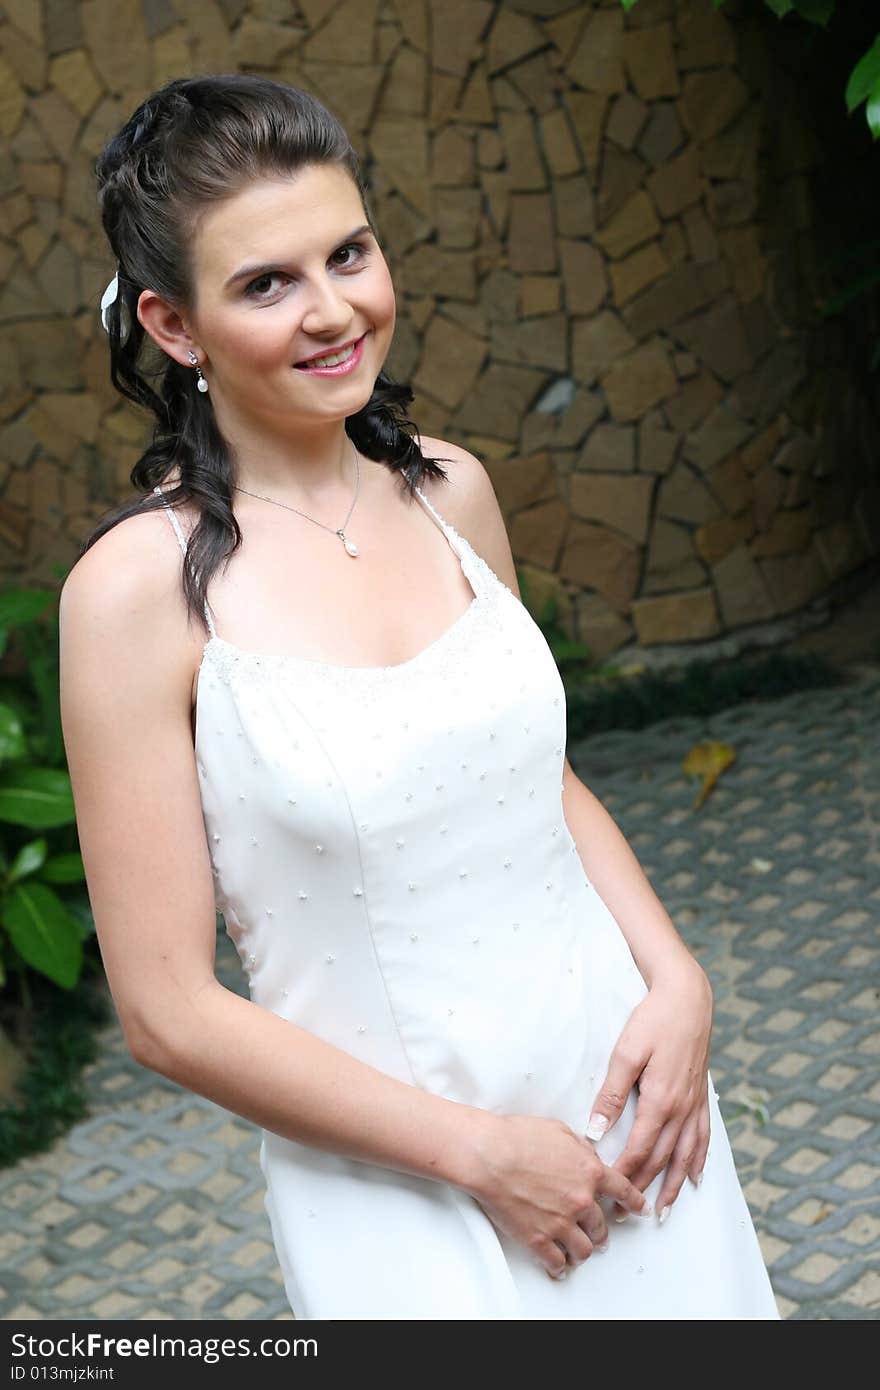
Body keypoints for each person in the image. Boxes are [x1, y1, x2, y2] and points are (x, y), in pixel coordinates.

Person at [59, 73, 780, 1320]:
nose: (335, 310)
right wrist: (479, 1155)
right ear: (175, 328)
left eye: (349, 252)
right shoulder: (136, 593)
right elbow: (165, 1010)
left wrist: (677, 984)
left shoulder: (454, 493)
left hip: (631, 1106)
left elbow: (533, 777)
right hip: (407, 1181)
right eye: (266, 282)